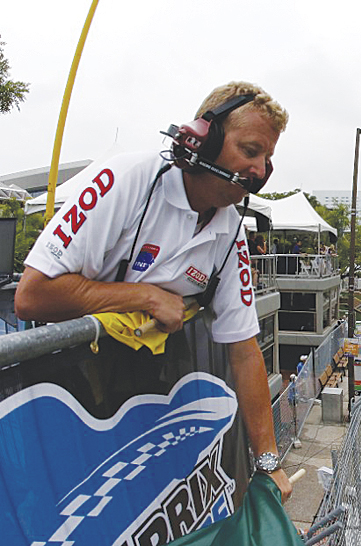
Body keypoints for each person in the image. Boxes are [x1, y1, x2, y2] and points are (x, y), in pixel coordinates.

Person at [14, 81, 293, 503]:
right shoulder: (128, 178)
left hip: (138, 394)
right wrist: (141, 296)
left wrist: (269, 462)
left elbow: (243, 348)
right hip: (60, 395)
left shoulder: (230, 227)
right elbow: (31, 296)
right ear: (203, 138)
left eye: (267, 159)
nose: (260, 170)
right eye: (251, 151)